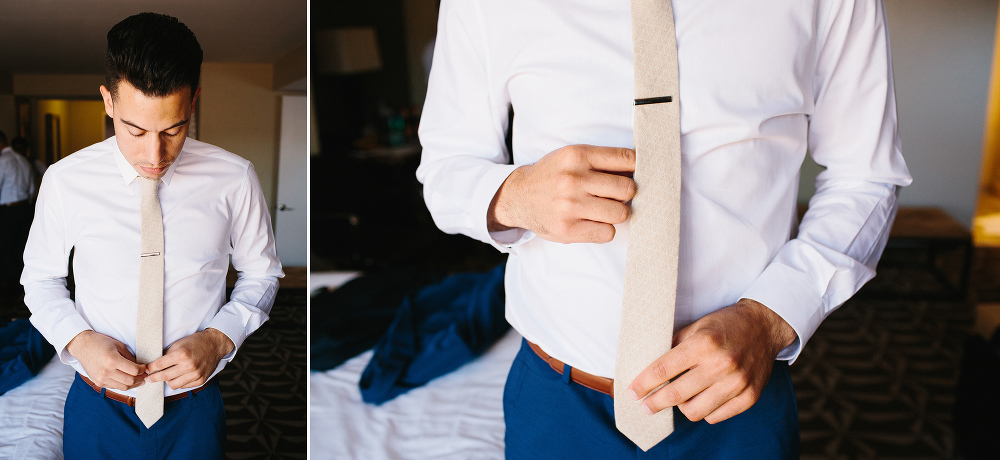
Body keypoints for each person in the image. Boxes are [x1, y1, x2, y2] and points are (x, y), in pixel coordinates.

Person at [416, 0, 912, 457]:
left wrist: (769, 319)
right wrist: (515, 195)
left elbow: (866, 176)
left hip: (739, 398)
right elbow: (445, 167)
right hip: (556, 404)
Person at [22, 13, 283, 460]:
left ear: (194, 101)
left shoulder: (235, 177)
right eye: (135, 130)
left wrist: (219, 338)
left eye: (173, 129)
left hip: (195, 409)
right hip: (96, 407)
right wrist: (80, 341)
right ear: (108, 101)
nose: (154, 155)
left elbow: (263, 274)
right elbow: (39, 281)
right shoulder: (65, 181)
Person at [0, 131, 35, 295]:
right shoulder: (23, 161)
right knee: (19, 249)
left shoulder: (3, 161)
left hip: (8, 211)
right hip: (25, 209)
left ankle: (17, 287)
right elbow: (32, 189)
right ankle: (24, 285)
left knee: (4, 250)